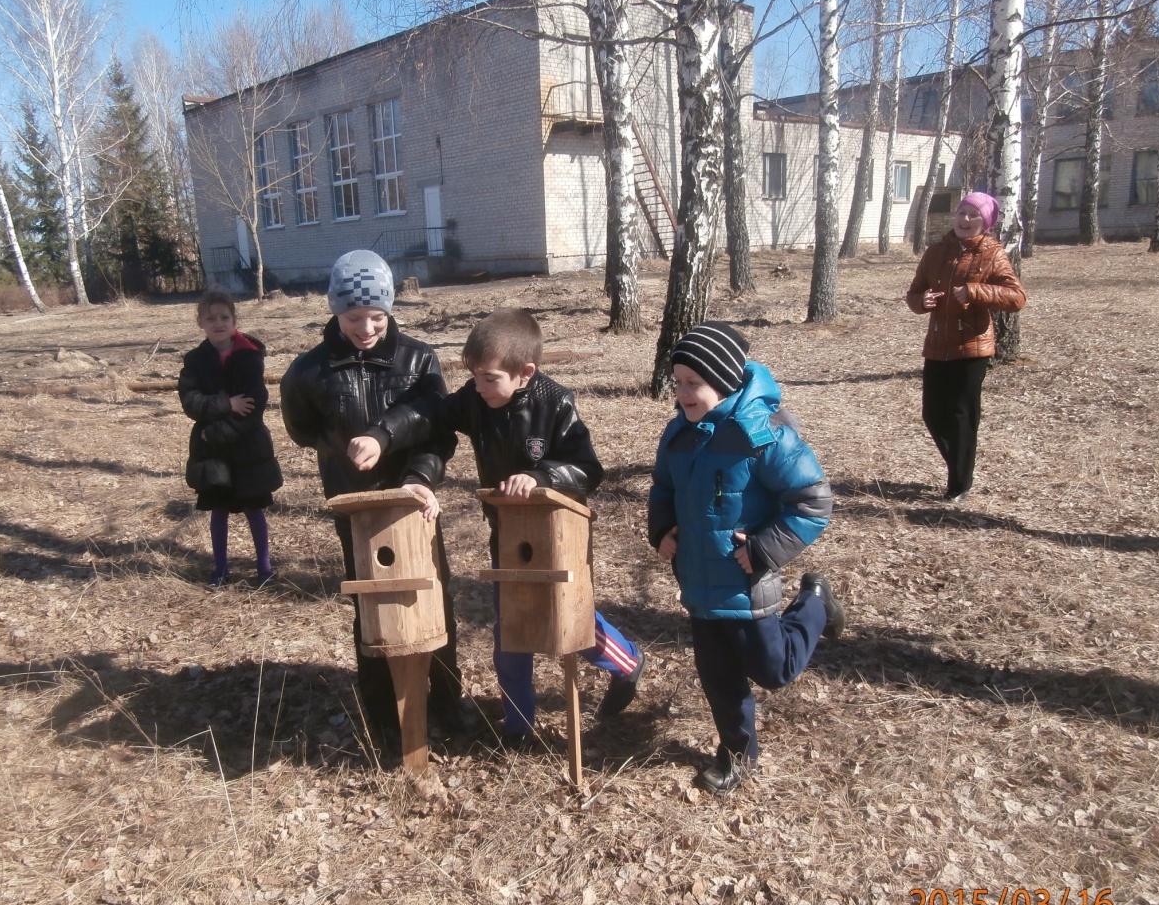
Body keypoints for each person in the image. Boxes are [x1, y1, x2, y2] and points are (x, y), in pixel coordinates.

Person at [359, 308, 644, 749]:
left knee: (568, 620)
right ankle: (517, 727)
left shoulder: (555, 402)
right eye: (473, 377)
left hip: (557, 535)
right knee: (510, 631)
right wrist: (383, 434)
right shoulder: (477, 401)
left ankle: (627, 664)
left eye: (489, 378)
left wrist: (542, 475)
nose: (478, 386)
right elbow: (431, 414)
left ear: (525, 372)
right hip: (505, 534)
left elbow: (589, 469)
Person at [280, 250, 467, 747]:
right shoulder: (309, 371)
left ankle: (447, 704)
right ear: (334, 312)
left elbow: (437, 426)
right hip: (356, 507)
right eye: (353, 317)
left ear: (390, 311)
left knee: (434, 599)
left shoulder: (418, 359)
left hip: (413, 500)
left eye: (376, 317)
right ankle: (383, 713)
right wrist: (339, 451)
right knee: (371, 606)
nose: (366, 328)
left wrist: (414, 468)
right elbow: (301, 428)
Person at [648, 322, 844, 795]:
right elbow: (664, 488)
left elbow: (812, 501)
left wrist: (760, 549)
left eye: (694, 383)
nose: (683, 394)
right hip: (698, 582)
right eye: (678, 382)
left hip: (746, 579)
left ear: (725, 381)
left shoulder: (764, 436)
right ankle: (737, 754)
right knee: (719, 680)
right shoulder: (679, 434)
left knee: (774, 670)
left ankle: (816, 601)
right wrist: (662, 530)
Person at [906, 190, 1027, 502]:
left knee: (962, 416)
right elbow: (914, 293)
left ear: (984, 222)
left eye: (973, 215)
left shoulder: (992, 253)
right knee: (932, 414)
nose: (965, 219)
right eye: (961, 212)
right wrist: (923, 301)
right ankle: (960, 466)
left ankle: (959, 484)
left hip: (972, 346)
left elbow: (1016, 298)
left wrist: (975, 291)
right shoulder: (936, 252)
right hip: (937, 345)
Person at [179, 290, 283, 588]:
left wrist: (219, 430)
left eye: (224, 317)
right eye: (210, 318)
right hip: (212, 454)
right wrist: (225, 403)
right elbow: (191, 402)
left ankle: (264, 568)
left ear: (234, 320)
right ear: (200, 322)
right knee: (219, 510)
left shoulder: (250, 356)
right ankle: (221, 568)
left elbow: (253, 403)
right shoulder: (195, 361)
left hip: (248, 447)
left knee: (254, 509)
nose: (218, 323)